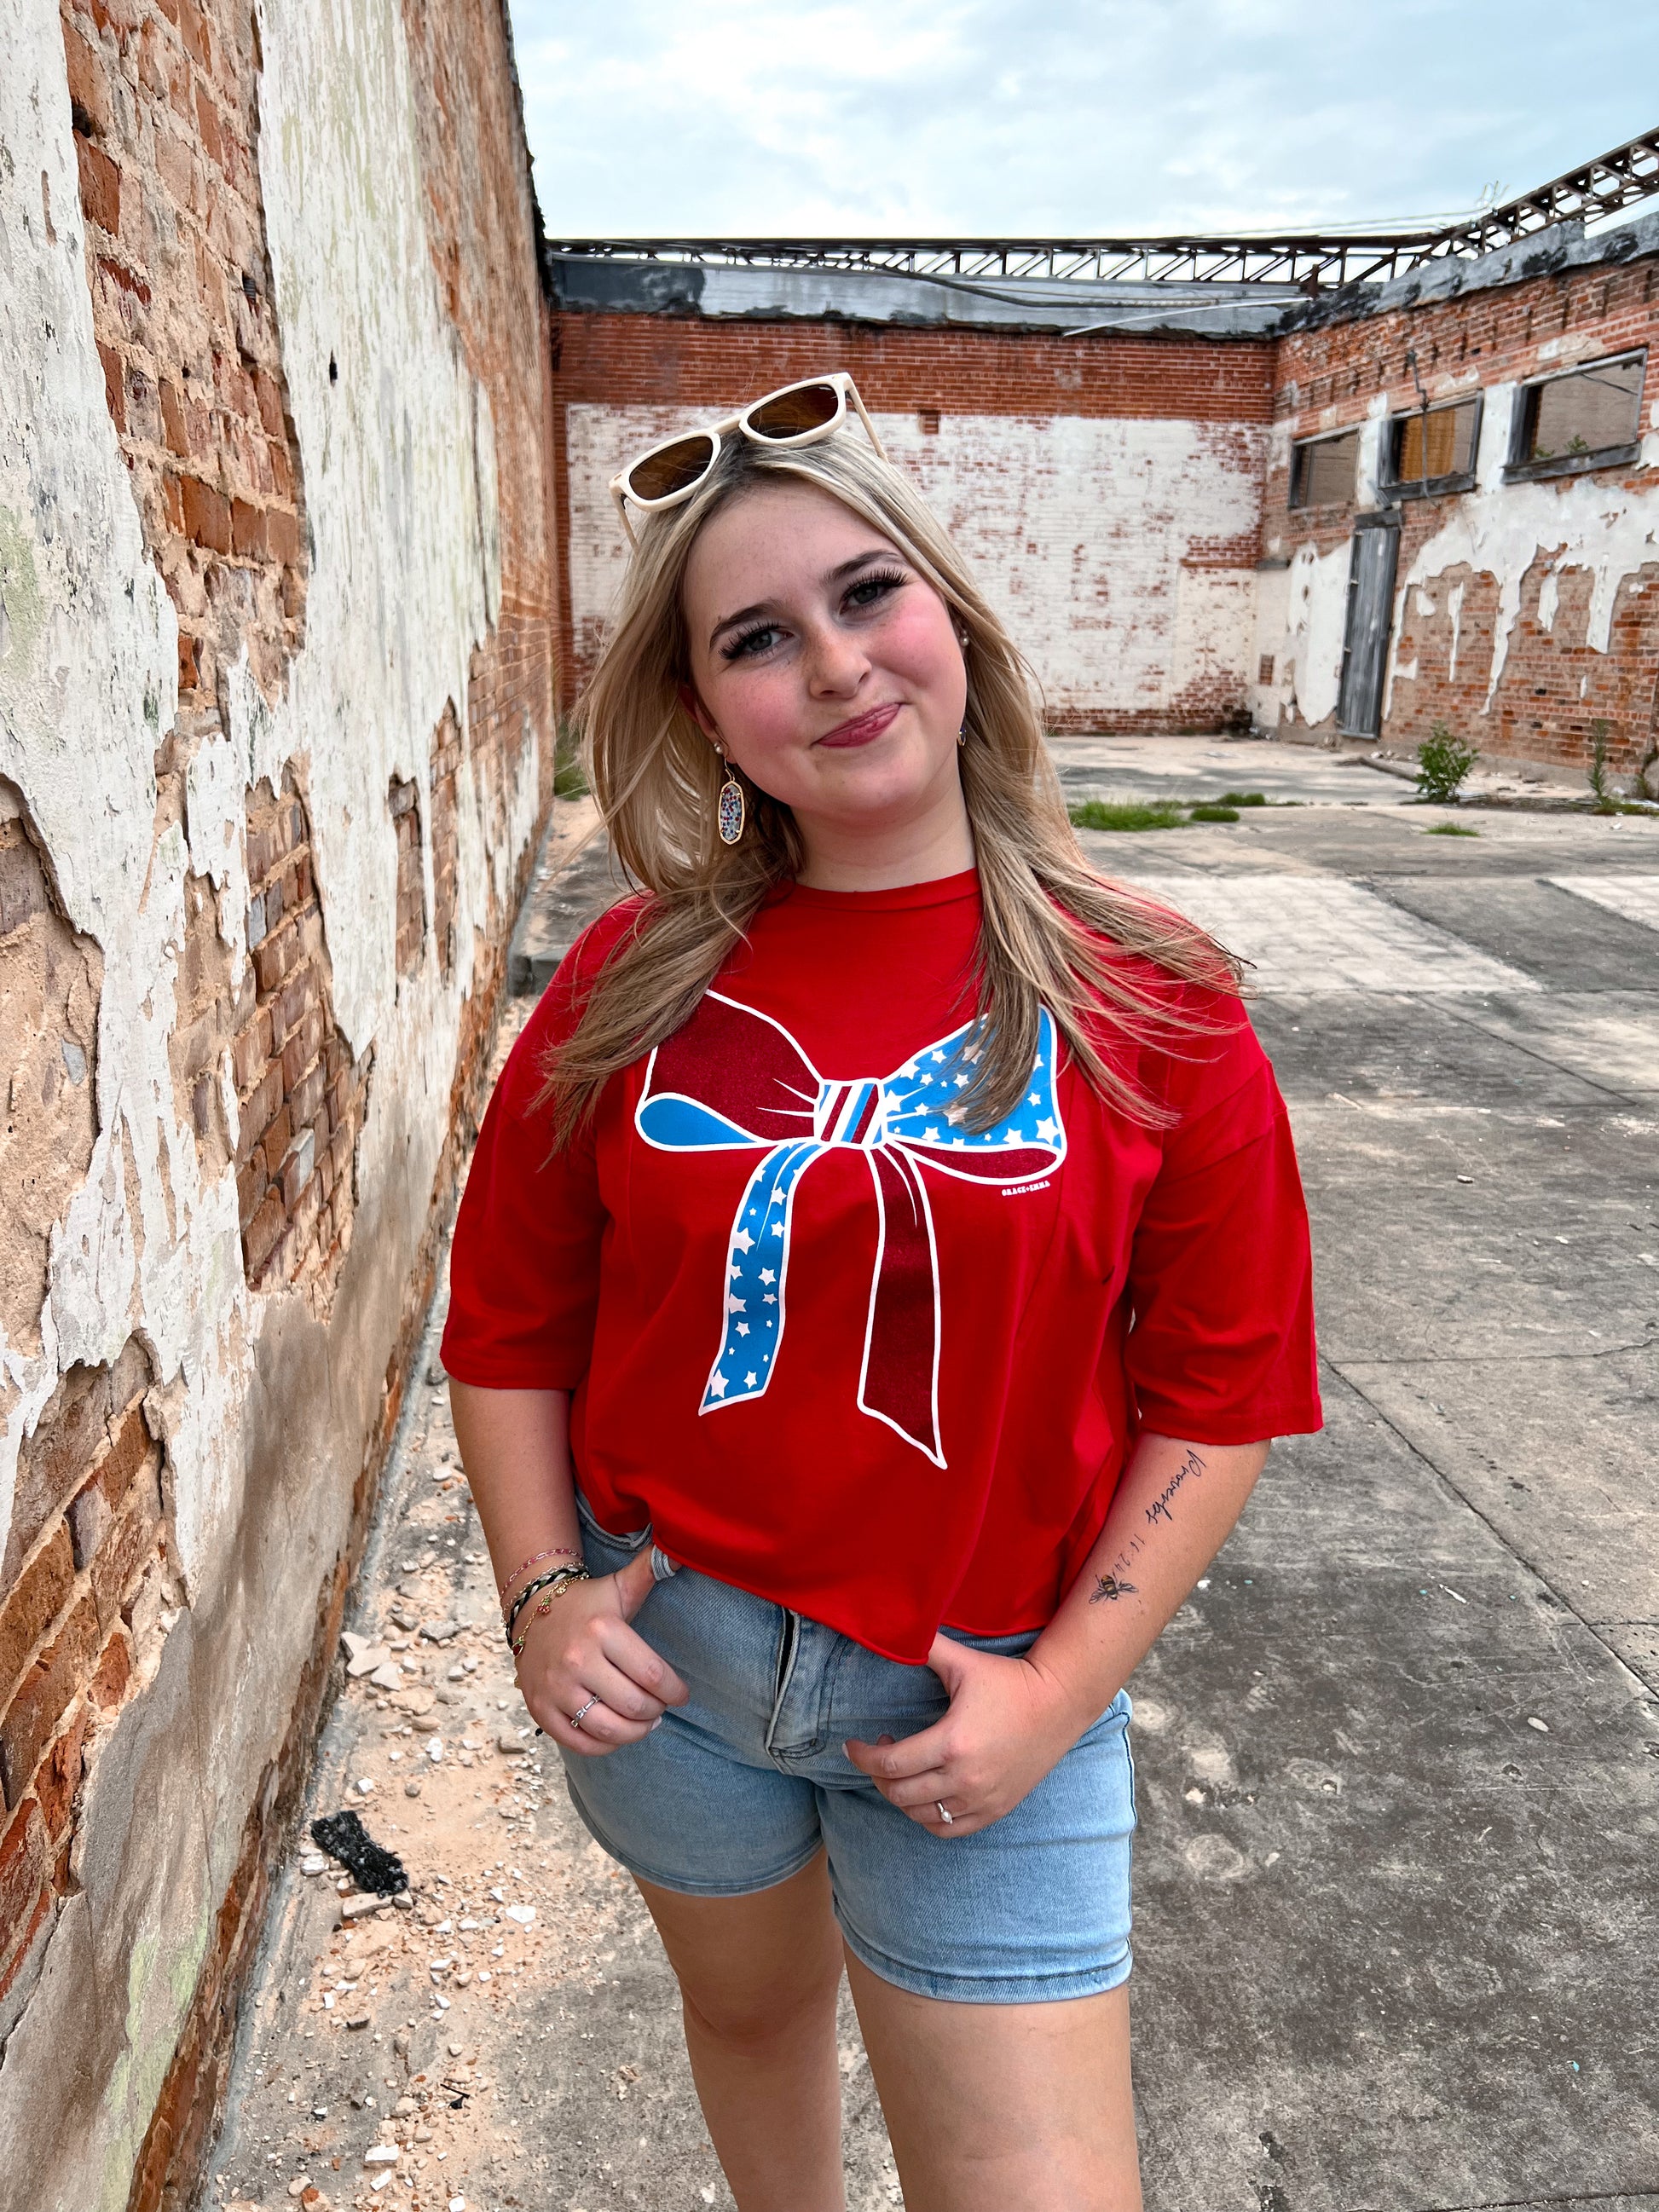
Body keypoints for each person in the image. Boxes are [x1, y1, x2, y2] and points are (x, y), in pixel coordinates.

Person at [441, 373, 1321, 2211]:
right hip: (671, 1675)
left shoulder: (1148, 992)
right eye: (757, 636)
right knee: (751, 2028)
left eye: (866, 595)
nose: (834, 665)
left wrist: (1058, 1686)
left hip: (984, 1691)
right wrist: (540, 1593)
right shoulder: (625, 977)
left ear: (948, 616)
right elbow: (510, 1330)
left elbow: (1221, 1393)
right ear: (706, 712)